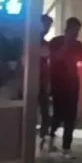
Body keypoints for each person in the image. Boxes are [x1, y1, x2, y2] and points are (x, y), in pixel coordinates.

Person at [47, 17, 82, 155]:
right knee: (58, 113)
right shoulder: (56, 41)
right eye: (74, 31)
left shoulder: (78, 45)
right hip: (58, 81)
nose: (76, 34)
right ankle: (50, 139)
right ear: (68, 29)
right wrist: (66, 44)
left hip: (72, 82)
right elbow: (55, 57)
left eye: (78, 32)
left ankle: (66, 146)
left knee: (71, 115)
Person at [37, 15, 54, 150]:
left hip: (42, 81)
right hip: (32, 81)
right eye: (46, 25)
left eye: (49, 26)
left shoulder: (46, 44)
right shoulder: (31, 42)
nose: (47, 29)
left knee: (44, 111)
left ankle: (43, 136)